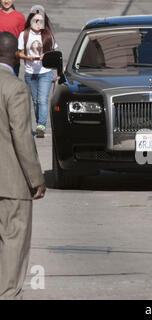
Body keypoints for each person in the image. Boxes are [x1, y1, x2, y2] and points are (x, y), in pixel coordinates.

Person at [0, 31, 46, 300]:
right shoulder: (15, 88)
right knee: (14, 242)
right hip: (11, 183)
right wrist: (36, 177)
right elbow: (21, 137)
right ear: (16, 56)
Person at [18, 5, 57, 138]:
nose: (38, 23)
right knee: (35, 101)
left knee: (42, 100)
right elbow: (19, 53)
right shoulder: (24, 35)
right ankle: (39, 123)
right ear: (30, 21)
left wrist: (46, 55)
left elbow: (54, 52)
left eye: (40, 21)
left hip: (45, 72)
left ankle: (41, 125)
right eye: (35, 20)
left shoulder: (48, 35)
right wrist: (27, 57)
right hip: (30, 73)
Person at [0, 0, 26, 76]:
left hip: (13, 60)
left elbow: (23, 39)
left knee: (12, 85)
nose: (7, 1)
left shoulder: (20, 17)